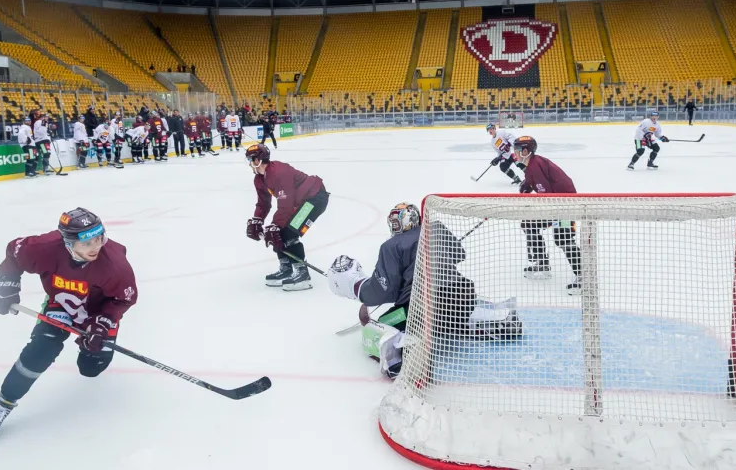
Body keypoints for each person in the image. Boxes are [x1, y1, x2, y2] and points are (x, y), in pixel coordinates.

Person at [0, 208, 137, 441]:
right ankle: (4, 403)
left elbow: (124, 298)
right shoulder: (43, 249)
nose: (95, 247)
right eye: (87, 242)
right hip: (61, 304)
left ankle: (92, 345)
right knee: (39, 351)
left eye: (99, 238)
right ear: (68, 243)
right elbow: (14, 251)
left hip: (98, 312)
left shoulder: (115, 265)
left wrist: (100, 325)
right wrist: (6, 283)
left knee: (90, 369)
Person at [325, 203, 522, 378]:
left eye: (396, 222)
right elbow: (460, 254)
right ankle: (501, 319)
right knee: (450, 320)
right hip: (462, 296)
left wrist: (355, 286)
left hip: (421, 307)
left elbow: (384, 290)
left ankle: (401, 357)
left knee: (380, 325)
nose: (394, 227)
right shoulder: (436, 229)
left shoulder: (391, 246)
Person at [245, 143, 328, 291]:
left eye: (251, 160)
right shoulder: (259, 179)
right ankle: (287, 268)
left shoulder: (279, 172)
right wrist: (257, 220)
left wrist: (274, 226)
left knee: (288, 232)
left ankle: (302, 274)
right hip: (300, 201)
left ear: (258, 160)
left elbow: (286, 204)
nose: (250, 164)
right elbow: (263, 204)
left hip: (314, 198)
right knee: (277, 231)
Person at [511, 135, 582, 294]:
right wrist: (525, 187)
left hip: (564, 207)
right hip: (556, 205)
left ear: (525, 151)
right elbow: (530, 183)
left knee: (563, 238)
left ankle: (583, 276)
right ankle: (542, 263)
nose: (514, 153)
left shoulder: (536, 165)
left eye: (516, 150)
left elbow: (546, 195)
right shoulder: (532, 165)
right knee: (529, 224)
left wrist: (530, 205)